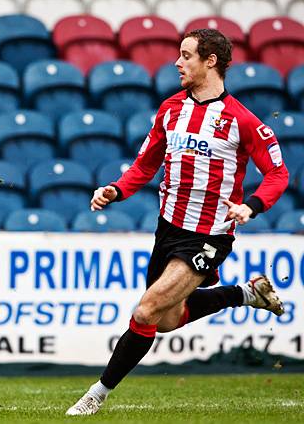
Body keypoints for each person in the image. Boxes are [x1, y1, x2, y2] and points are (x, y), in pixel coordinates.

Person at [66, 29, 289, 415]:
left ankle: (96, 394)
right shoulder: (170, 109)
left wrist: (251, 206)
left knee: (146, 310)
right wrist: (116, 190)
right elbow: (145, 164)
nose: (177, 63)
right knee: (167, 320)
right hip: (168, 228)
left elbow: (278, 173)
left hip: (210, 234)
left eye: (186, 56)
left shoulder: (242, 120)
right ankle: (245, 294)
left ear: (210, 61)